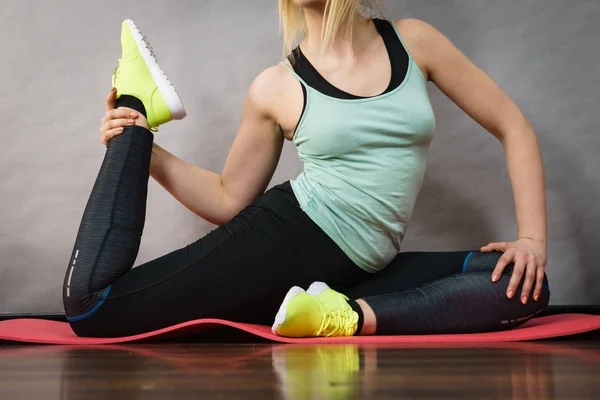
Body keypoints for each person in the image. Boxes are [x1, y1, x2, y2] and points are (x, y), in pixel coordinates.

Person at [63, 0, 549, 339]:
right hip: (288, 239)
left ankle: (339, 314)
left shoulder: (415, 41)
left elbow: (513, 125)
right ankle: (135, 99)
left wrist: (532, 240)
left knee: (525, 284)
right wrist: (146, 147)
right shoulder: (276, 86)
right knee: (92, 306)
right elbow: (228, 198)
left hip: (359, 264)